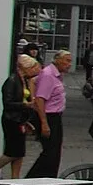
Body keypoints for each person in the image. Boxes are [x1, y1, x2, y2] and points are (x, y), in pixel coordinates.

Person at [0, 53, 40, 181]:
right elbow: (8, 103)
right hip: (11, 119)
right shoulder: (12, 81)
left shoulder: (24, 81)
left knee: (20, 152)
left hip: (20, 119)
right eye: (31, 68)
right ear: (24, 67)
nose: (33, 71)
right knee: (12, 151)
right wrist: (26, 105)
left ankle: (15, 178)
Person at [29, 49, 72, 177]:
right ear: (57, 60)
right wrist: (44, 123)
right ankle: (32, 181)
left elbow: (33, 81)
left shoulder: (56, 74)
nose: (69, 64)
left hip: (56, 116)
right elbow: (40, 99)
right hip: (48, 116)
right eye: (67, 61)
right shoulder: (48, 74)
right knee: (50, 152)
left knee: (53, 152)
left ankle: (46, 183)